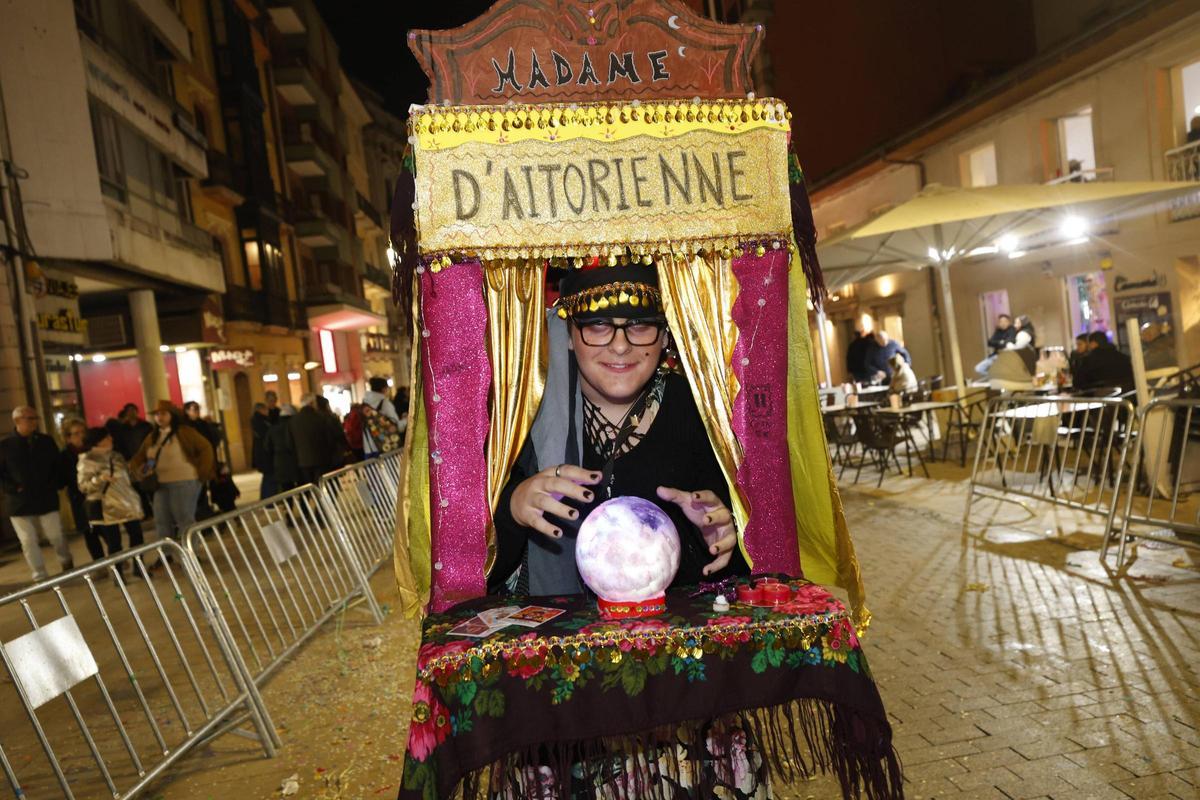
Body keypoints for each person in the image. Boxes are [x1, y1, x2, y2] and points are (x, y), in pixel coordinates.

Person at [490, 262, 746, 597]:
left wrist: (722, 537)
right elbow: (478, 569)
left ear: (665, 335)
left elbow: (738, 567)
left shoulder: (702, 412)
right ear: (569, 335)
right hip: (564, 640)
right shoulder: (523, 419)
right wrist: (514, 508)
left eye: (639, 325)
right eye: (598, 325)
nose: (621, 345)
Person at [1, 407, 73, 581]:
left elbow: (57, 466)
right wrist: (13, 488)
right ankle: (39, 573)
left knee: (55, 534)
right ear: (18, 421)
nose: (34, 421)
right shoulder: (5, 446)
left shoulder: (46, 442)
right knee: (28, 540)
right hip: (19, 501)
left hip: (45, 496)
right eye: (30, 418)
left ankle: (65, 559)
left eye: (35, 418)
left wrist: (55, 484)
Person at [130, 401, 215, 544]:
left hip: (184, 481)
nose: (159, 417)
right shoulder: (153, 436)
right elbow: (140, 456)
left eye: (163, 413)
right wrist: (139, 470)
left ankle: (190, 553)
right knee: (161, 520)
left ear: (172, 415)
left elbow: (206, 448)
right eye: (157, 414)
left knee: (184, 519)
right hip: (160, 484)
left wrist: (202, 473)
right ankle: (167, 555)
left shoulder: (185, 432)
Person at [76, 427, 144, 568]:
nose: (111, 439)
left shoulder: (116, 456)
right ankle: (118, 575)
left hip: (127, 502)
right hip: (106, 506)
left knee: (137, 536)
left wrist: (141, 473)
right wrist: (100, 479)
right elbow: (83, 486)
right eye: (107, 437)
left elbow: (127, 478)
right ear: (98, 441)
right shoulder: (87, 460)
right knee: (114, 543)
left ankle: (139, 569)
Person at [292, 394, 339, 484]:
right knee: (321, 486)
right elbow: (329, 439)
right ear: (312, 403)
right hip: (321, 459)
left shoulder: (294, 420)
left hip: (303, 461)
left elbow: (290, 442)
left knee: (308, 488)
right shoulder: (321, 418)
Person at [1074, 331, 1135, 395]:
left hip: (1100, 399)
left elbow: (1077, 383)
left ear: (1093, 343)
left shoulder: (1089, 360)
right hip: (1126, 397)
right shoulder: (1123, 357)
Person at [58, 419, 90, 537]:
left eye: (83, 432)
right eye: (76, 433)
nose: (81, 436)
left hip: (97, 495)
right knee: (89, 533)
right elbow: (63, 479)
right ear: (68, 438)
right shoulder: (64, 456)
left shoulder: (92, 449)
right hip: (79, 497)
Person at [362, 376, 402, 457]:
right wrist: (406, 419)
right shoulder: (385, 403)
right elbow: (397, 425)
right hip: (388, 447)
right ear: (384, 389)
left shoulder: (365, 404)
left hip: (370, 448)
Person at [265, 403, 301, 493]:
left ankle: (289, 505)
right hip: (296, 461)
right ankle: (303, 506)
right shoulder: (295, 426)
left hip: (280, 462)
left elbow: (267, 447)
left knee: (286, 489)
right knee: (302, 487)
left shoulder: (273, 428)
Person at [250, 401, 277, 501]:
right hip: (265, 454)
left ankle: (266, 499)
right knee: (269, 477)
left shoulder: (257, 420)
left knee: (268, 477)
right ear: (260, 410)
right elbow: (266, 436)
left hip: (262, 454)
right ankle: (268, 500)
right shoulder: (261, 421)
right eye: (265, 409)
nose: (267, 411)